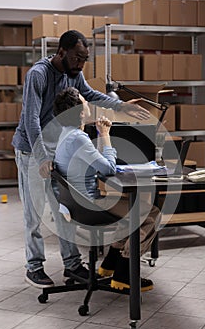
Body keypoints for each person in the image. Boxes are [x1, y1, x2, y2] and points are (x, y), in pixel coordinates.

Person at [12, 30, 150, 289]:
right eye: (77, 58)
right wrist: (42, 157)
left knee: (60, 208)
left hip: (54, 148)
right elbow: (31, 121)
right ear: (61, 52)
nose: (81, 64)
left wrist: (120, 106)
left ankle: (72, 263)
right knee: (34, 211)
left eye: (85, 59)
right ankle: (34, 267)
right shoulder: (38, 75)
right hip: (31, 150)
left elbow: (91, 94)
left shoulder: (74, 74)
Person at [53, 87, 161, 292]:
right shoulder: (78, 138)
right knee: (150, 213)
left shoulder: (66, 134)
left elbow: (98, 164)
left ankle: (109, 265)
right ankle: (125, 275)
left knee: (131, 211)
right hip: (89, 206)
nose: (88, 104)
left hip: (76, 204)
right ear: (80, 111)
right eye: (85, 101)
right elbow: (108, 168)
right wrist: (105, 134)